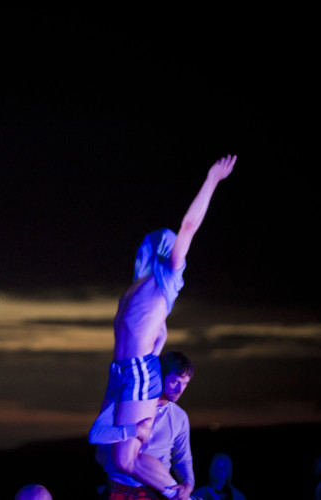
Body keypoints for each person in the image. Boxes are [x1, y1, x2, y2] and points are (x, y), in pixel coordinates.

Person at [102, 155, 236, 484]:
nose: (147, 245)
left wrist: (211, 180)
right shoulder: (135, 291)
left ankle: (181, 492)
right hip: (126, 371)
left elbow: (188, 226)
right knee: (120, 459)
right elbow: (153, 331)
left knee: (125, 459)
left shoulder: (168, 277)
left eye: (157, 241)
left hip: (138, 372)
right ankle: (181, 491)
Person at [90, 351, 195, 500]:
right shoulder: (126, 402)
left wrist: (188, 484)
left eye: (185, 383)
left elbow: (183, 459)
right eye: (175, 382)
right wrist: (134, 430)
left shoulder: (180, 417)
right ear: (161, 376)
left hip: (156, 489)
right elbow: (97, 436)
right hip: (120, 484)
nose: (180, 390)